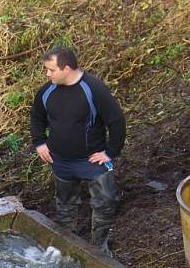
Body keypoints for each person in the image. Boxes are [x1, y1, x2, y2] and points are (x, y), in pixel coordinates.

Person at [30, 45, 126, 255]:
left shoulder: (94, 89)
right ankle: (66, 247)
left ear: (66, 69)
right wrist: (39, 142)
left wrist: (109, 152)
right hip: (61, 161)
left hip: (91, 160)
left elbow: (117, 121)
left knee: (106, 201)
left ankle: (99, 247)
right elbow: (36, 117)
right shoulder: (47, 91)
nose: (47, 74)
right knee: (64, 205)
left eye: (51, 70)